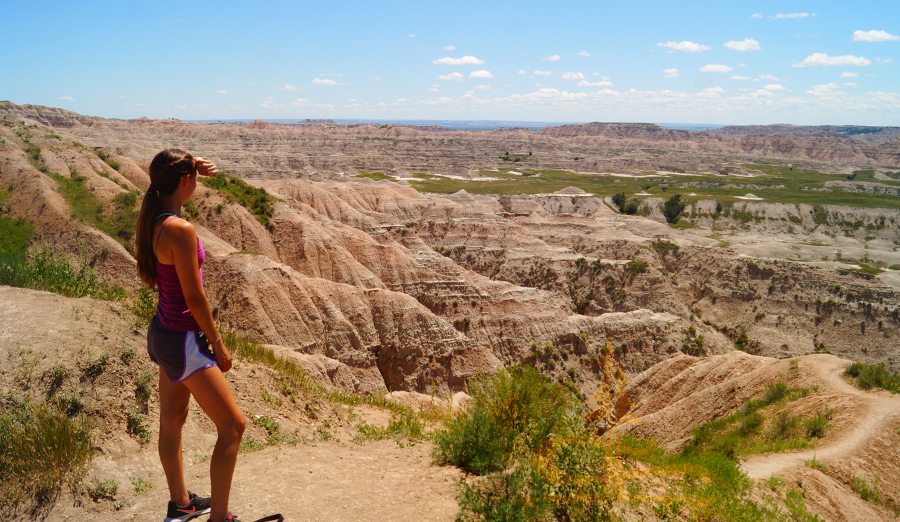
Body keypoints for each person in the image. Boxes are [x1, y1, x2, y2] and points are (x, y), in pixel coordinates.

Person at [135, 149, 246, 522]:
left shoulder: (155, 218)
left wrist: (192, 164)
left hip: (162, 332)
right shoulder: (181, 230)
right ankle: (220, 519)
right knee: (233, 427)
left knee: (172, 420)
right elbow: (195, 297)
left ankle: (180, 505)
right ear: (184, 182)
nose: (197, 183)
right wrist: (217, 343)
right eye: (193, 178)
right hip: (184, 338)